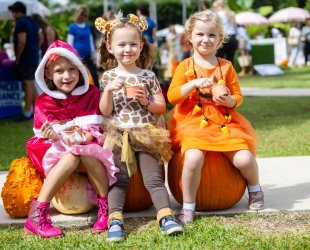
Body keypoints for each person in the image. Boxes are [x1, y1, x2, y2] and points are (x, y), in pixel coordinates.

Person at [167, 10, 264, 224]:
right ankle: (189, 205)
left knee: (245, 158)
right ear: (189, 37)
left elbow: (238, 95)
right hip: (193, 122)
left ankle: (255, 188)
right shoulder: (185, 66)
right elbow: (172, 96)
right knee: (193, 158)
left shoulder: (226, 66)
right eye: (200, 34)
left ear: (220, 39)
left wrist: (229, 101)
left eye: (212, 35)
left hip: (223, 121)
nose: (206, 39)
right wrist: (191, 84)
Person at [95, 13, 184, 242]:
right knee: (119, 180)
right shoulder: (108, 77)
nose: (128, 49)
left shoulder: (148, 76)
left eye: (133, 44)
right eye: (121, 44)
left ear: (141, 45)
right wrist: (108, 91)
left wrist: (146, 101)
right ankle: (115, 220)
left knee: (153, 179)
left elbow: (160, 108)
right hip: (118, 135)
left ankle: (165, 216)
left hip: (145, 133)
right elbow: (105, 111)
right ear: (110, 47)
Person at [25, 40, 118, 238]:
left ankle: (105, 207)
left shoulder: (91, 94)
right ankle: (38, 214)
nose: (67, 76)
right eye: (59, 71)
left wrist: (85, 137)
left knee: (85, 152)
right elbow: (44, 136)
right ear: (48, 74)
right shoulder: (44, 102)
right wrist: (54, 135)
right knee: (72, 156)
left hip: (86, 150)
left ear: (80, 70)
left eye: (72, 70)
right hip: (58, 154)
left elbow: (95, 127)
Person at [8, 1, 40, 120]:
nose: (13, 15)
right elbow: (40, 37)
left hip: (25, 57)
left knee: (28, 83)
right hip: (34, 55)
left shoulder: (21, 23)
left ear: (18, 12)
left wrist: (17, 57)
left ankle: (27, 112)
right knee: (31, 83)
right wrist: (35, 48)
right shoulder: (32, 21)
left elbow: (22, 41)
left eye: (13, 12)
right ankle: (39, 111)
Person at [67, 6, 99, 87]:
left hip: (88, 55)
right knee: (81, 77)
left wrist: (93, 54)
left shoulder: (87, 25)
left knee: (94, 75)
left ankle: (97, 93)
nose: (82, 16)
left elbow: (90, 40)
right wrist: (71, 56)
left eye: (84, 15)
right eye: (81, 14)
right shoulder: (72, 27)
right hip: (77, 57)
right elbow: (69, 43)